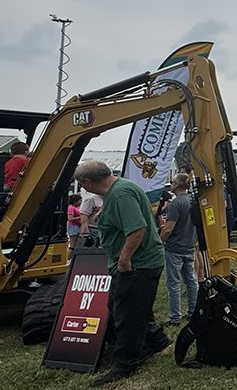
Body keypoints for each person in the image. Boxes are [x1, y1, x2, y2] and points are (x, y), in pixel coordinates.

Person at [73, 160, 170, 386]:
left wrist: (125, 260)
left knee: (125, 314)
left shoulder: (120, 195)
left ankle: (125, 364)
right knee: (136, 306)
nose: (82, 187)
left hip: (138, 263)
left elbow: (137, 229)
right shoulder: (120, 188)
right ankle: (156, 340)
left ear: (88, 181)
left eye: (81, 183)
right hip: (144, 261)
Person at [159, 173, 199, 327]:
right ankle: (193, 312)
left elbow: (168, 229)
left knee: (173, 284)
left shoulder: (176, 204)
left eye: (174, 181)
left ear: (179, 185)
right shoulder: (192, 201)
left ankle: (175, 317)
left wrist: (159, 241)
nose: (171, 183)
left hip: (175, 248)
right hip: (189, 246)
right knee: (191, 281)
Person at [66, 194, 83, 260]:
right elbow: (70, 218)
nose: (80, 202)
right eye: (79, 201)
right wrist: (80, 217)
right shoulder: (71, 208)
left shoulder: (77, 208)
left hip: (77, 226)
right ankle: (68, 258)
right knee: (72, 245)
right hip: (73, 227)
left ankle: (72, 258)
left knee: (76, 244)